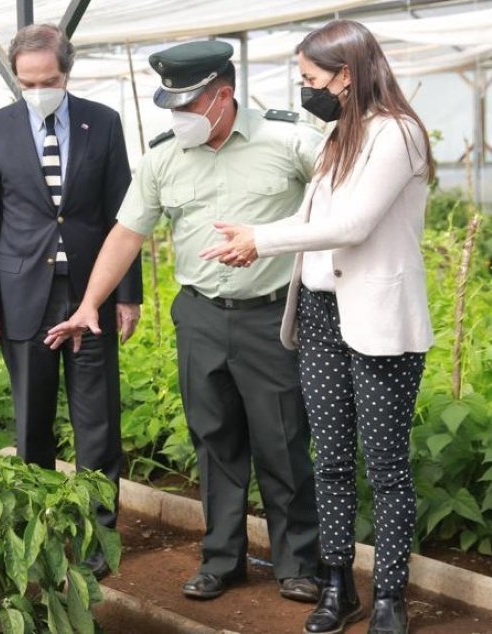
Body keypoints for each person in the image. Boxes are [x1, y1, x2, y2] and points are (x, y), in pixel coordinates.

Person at [45, 41, 322, 602]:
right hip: (198, 315)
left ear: (224, 95)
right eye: (171, 109)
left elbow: (344, 206)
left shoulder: (291, 140)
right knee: (213, 438)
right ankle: (223, 558)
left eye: (188, 107)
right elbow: (126, 234)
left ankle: (299, 563)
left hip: (272, 315)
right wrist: (87, 304)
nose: (178, 119)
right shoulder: (164, 157)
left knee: (283, 439)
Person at [197, 20, 436, 634]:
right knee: (328, 457)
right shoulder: (335, 137)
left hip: (380, 319)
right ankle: (338, 583)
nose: (305, 88)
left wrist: (262, 240)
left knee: (385, 464)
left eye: (311, 78)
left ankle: (389, 595)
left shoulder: (398, 134)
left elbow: (353, 225)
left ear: (347, 75)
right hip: (322, 313)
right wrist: (252, 240)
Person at [0, 23, 142, 580]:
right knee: (32, 423)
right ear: (17, 78)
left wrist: (126, 294)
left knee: (97, 422)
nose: (39, 89)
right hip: (24, 297)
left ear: (67, 73)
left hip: (89, 292)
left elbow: (127, 215)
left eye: (50, 80)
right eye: (28, 82)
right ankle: (39, 534)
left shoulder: (103, 123)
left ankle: (97, 538)